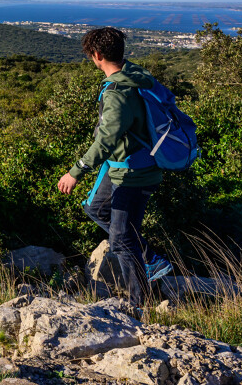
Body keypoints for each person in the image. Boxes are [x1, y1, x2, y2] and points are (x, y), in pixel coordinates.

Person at [56, 27, 173, 305]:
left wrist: (76, 172)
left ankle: (138, 305)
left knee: (121, 241)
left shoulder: (118, 91)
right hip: (125, 163)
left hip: (134, 171)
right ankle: (148, 257)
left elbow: (106, 139)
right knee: (95, 208)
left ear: (96, 55)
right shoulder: (135, 75)